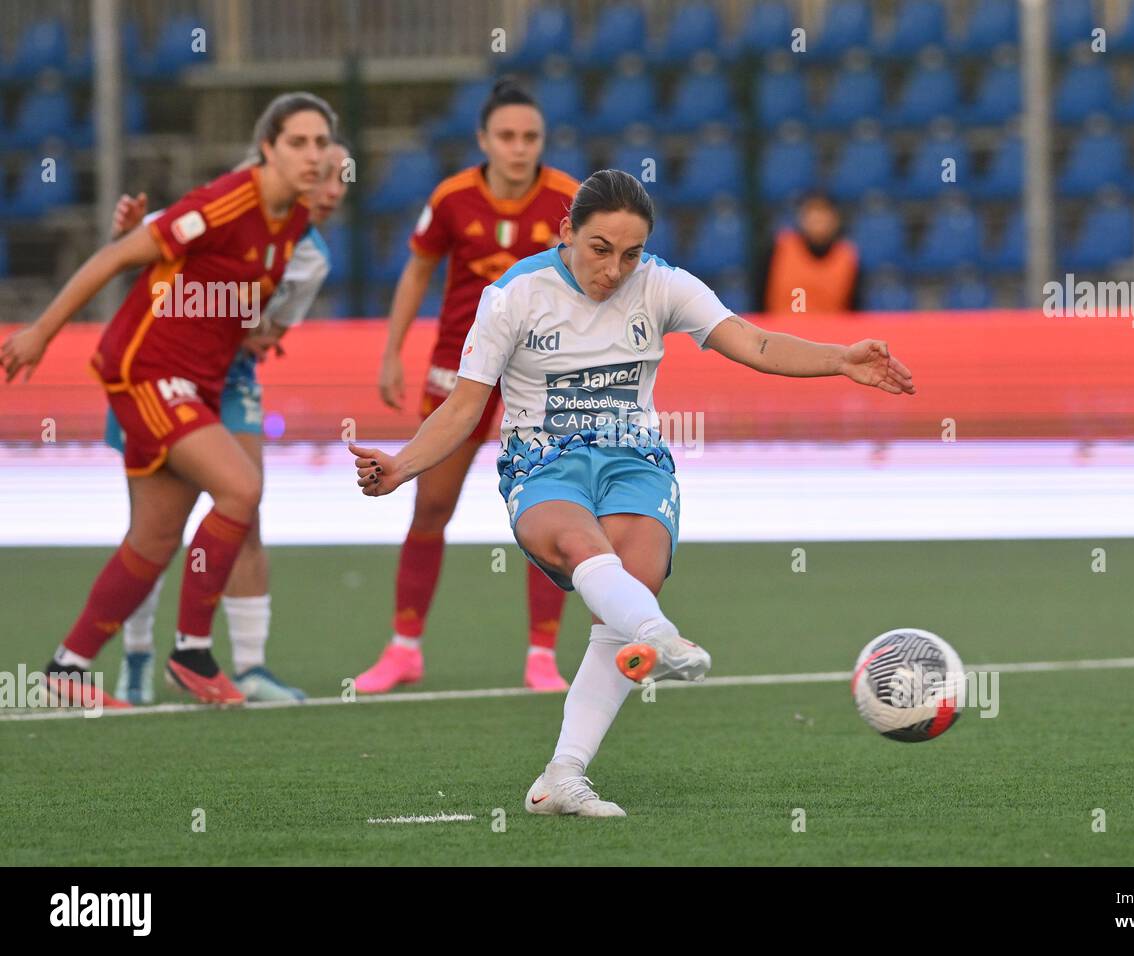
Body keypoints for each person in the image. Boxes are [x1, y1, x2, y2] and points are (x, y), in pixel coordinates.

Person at [348, 170, 915, 815]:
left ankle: (563, 775)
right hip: (543, 460)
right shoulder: (513, 296)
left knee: (631, 582)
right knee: (581, 546)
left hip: (634, 460)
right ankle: (659, 634)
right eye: (599, 248)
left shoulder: (664, 286)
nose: (614, 269)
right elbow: (463, 407)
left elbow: (753, 342)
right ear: (566, 232)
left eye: (630, 253)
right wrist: (401, 466)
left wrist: (840, 358)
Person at [1, 92, 334, 708]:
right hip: (147, 371)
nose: (313, 156)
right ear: (267, 147)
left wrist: (256, 330)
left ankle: (65, 670)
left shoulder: (291, 224)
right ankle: (192, 652)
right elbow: (116, 257)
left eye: (322, 144)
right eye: (298, 142)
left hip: (194, 382)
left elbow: (223, 296)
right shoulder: (226, 202)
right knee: (241, 487)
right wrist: (41, 332)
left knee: (153, 540)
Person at [105, 139, 352, 704]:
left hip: (229, 379)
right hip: (157, 372)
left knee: (245, 508)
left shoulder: (311, 256)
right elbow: (142, 253)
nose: (334, 190)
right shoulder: (223, 207)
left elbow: (266, 333)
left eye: (342, 178)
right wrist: (128, 231)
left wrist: (239, 327)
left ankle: (248, 667)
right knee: (151, 531)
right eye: (325, 175)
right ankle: (138, 659)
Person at [356, 77, 580, 694]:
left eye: (530, 136)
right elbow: (417, 271)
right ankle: (404, 649)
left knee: (551, 510)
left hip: (539, 377)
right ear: (483, 139)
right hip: (459, 370)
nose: (518, 147)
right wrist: (392, 351)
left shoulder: (568, 200)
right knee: (431, 505)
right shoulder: (453, 198)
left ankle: (542, 656)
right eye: (506, 136)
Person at [755, 191, 860, 314]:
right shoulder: (779, 248)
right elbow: (759, 296)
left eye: (824, 214)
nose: (818, 220)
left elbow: (854, 309)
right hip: (780, 329)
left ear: (835, 219)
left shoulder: (847, 256)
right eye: (812, 213)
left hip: (829, 331)